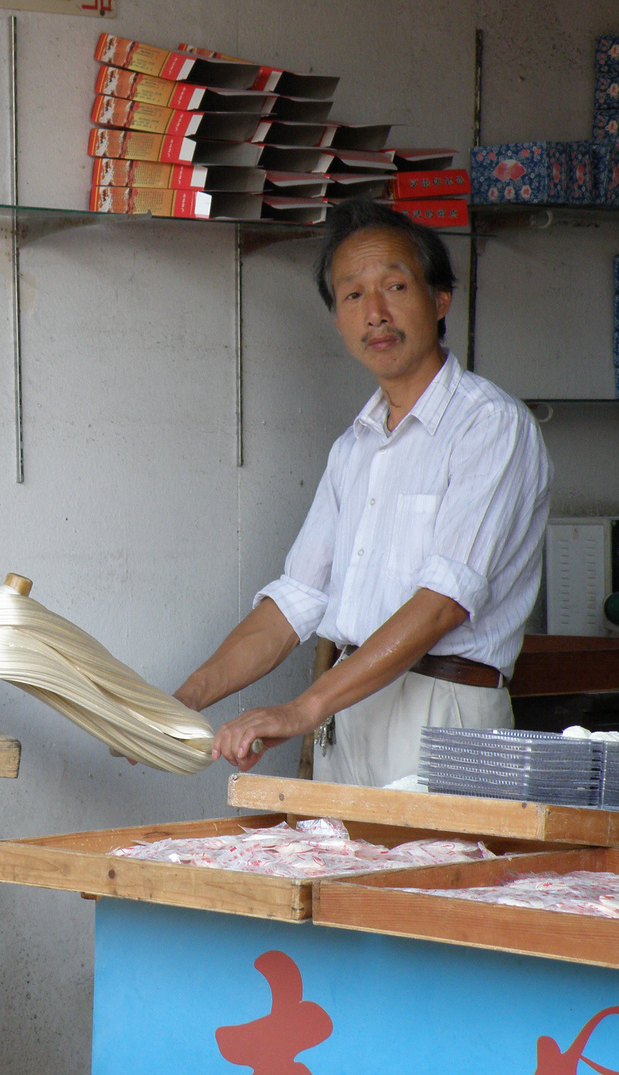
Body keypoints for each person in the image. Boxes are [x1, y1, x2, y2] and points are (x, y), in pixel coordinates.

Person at [173, 199, 553, 788]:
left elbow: (442, 604)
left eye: (395, 286)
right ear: (338, 320)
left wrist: (302, 708)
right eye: (353, 295)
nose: (375, 312)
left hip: (444, 713)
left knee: (432, 880)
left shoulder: (489, 426)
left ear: (439, 299)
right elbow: (296, 601)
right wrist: (183, 701)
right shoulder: (354, 448)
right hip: (349, 707)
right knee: (343, 875)